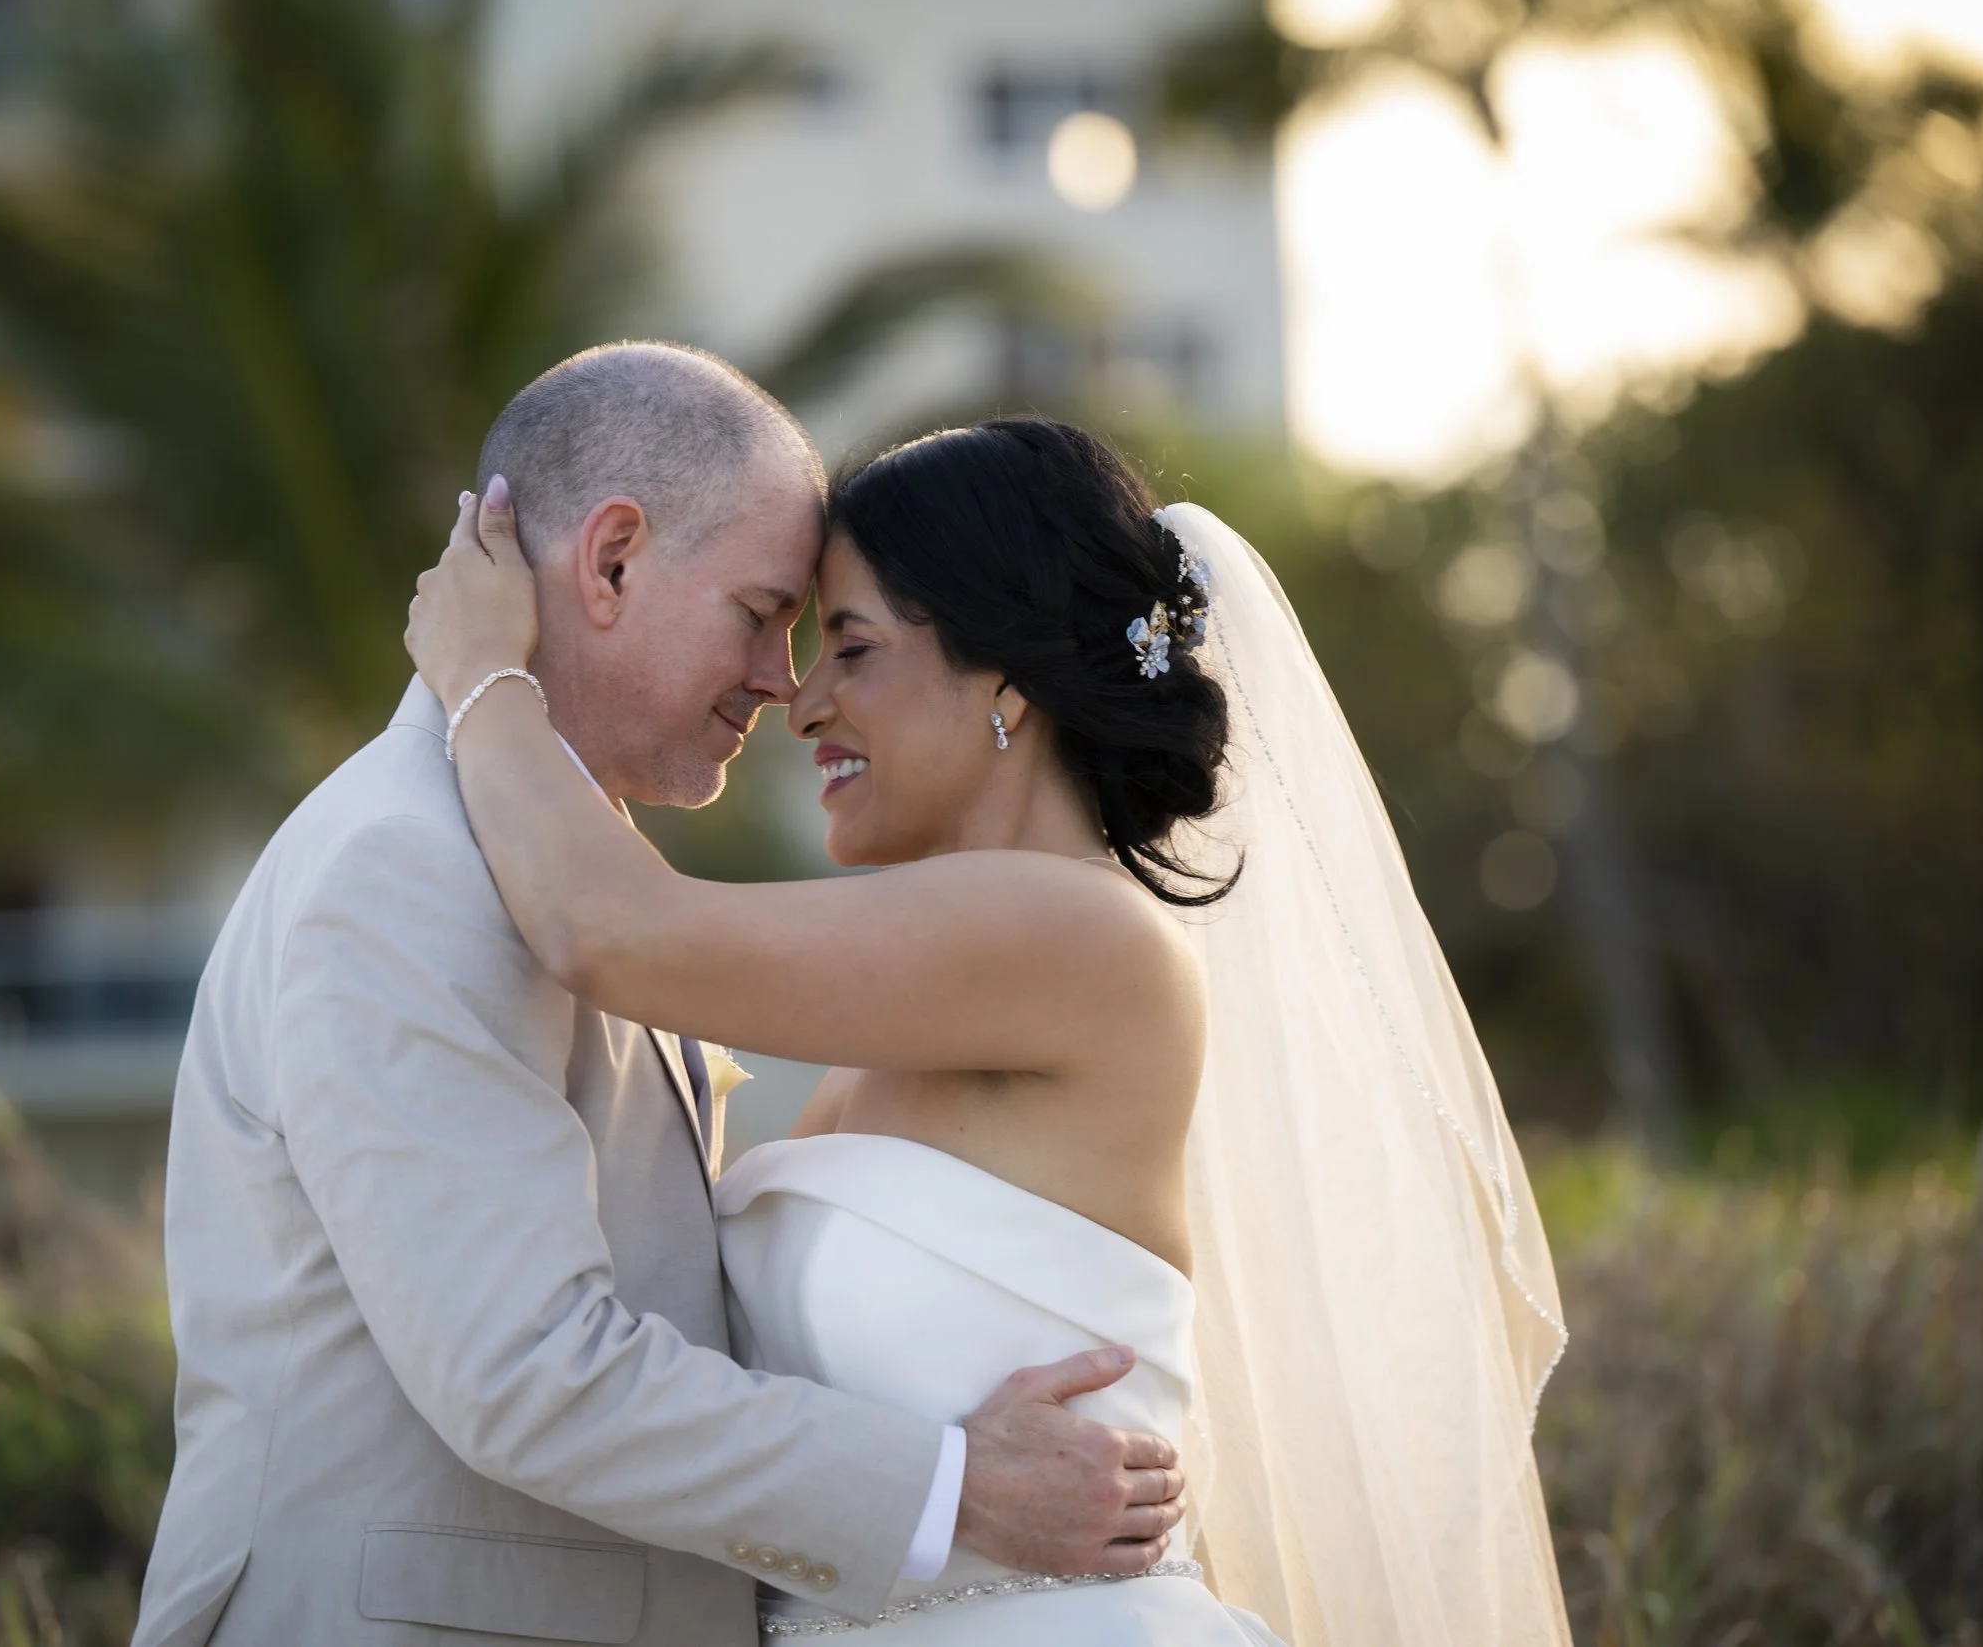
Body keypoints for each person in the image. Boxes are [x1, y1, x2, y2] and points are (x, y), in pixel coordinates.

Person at [408, 416, 1576, 1644]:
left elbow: (610, 931)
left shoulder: (1081, 938)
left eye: (850, 647)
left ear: (1008, 678)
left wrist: (485, 674)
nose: (801, 701)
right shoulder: (915, 995)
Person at [132, 348, 1185, 1647]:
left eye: (832, 638)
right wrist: (955, 1484)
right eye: (764, 613)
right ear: (613, 558)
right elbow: (524, 1374)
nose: (783, 683)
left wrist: (485, 681)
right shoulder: (412, 862)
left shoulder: (598, 881)